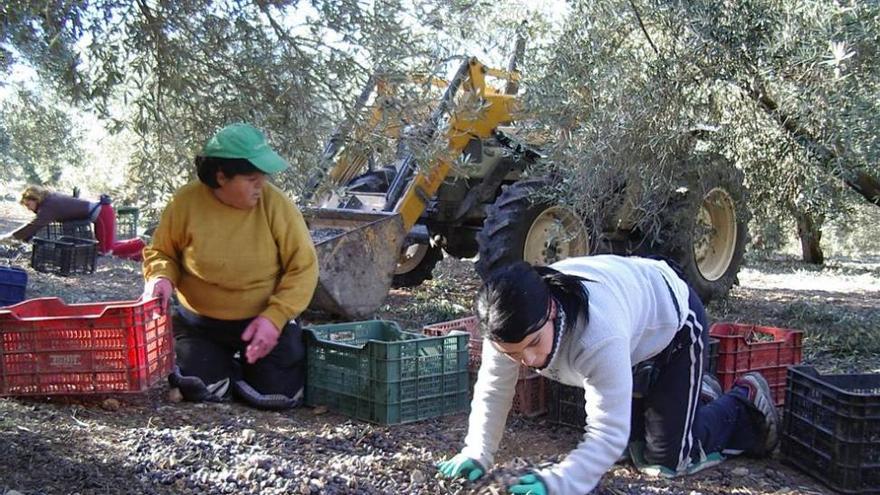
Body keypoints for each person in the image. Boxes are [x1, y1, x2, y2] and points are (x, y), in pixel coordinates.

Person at [437, 255, 779, 494]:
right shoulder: (508, 324)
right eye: (513, 353)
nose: (526, 360)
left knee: (666, 460)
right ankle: (695, 395)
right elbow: (493, 390)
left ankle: (742, 402)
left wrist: (559, 483)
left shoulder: (598, 335)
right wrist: (477, 451)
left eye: (533, 344)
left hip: (675, 321)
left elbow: (607, 433)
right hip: (632, 331)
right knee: (633, 446)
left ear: (552, 312)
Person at [141, 122, 318, 410]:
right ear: (221, 177)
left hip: (263, 321)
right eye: (251, 178)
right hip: (201, 324)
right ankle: (227, 371)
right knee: (199, 386)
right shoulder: (186, 202)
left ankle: (251, 368)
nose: (261, 184)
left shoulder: (276, 205)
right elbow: (163, 252)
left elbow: (303, 267)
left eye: (263, 175)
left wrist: (276, 316)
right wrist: (160, 277)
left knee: (278, 394)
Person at [3, 185, 146, 261]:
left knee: (106, 251)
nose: (28, 208)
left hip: (102, 213)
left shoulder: (49, 206)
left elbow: (34, 225)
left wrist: (10, 237)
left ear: (35, 199)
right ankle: (139, 250)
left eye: (28, 204)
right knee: (105, 248)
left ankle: (142, 245)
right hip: (101, 213)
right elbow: (35, 226)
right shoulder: (49, 201)